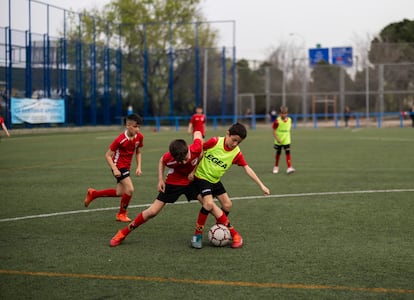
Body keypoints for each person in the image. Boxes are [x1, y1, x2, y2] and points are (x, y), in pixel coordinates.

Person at [109, 131, 241, 248]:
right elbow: (161, 161)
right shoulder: (169, 157)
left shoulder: (195, 147)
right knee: (153, 211)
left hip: (191, 182)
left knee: (210, 205)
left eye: (185, 159)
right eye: (180, 161)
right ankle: (123, 232)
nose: (184, 163)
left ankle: (234, 234)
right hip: (174, 182)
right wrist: (160, 179)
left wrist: (194, 170)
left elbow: (199, 142)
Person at [191, 122, 270, 249]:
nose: (235, 144)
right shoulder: (215, 142)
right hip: (202, 177)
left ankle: (218, 229)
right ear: (227, 134)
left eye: (238, 142)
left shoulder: (236, 153)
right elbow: (198, 151)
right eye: (233, 140)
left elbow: (247, 168)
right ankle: (197, 235)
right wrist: (192, 171)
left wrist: (262, 185)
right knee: (209, 204)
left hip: (215, 180)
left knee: (227, 205)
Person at [84, 113, 144, 222]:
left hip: (126, 167)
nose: (138, 129)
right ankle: (121, 214)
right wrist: (115, 169)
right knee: (130, 190)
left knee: (119, 193)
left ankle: (93, 194)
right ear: (127, 125)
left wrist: (139, 167)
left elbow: (138, 152)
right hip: (118, 165)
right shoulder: (120, 139)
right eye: (135, 127)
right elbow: (107, 155)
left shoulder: (139, 137)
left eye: (139, 126)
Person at [272, 106, 295, 174]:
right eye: (282, 113)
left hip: (287, 139)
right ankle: (276, 166)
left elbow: (289, 127)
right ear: (280, 113)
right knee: (278, 153)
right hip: (279, 139)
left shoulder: (290, 120)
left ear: (287, 113)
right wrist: (277, 138)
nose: (284, 115)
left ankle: (289, 167)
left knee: (287, 153)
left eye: (285, 113)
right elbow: (274, 130)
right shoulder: (277, 121)